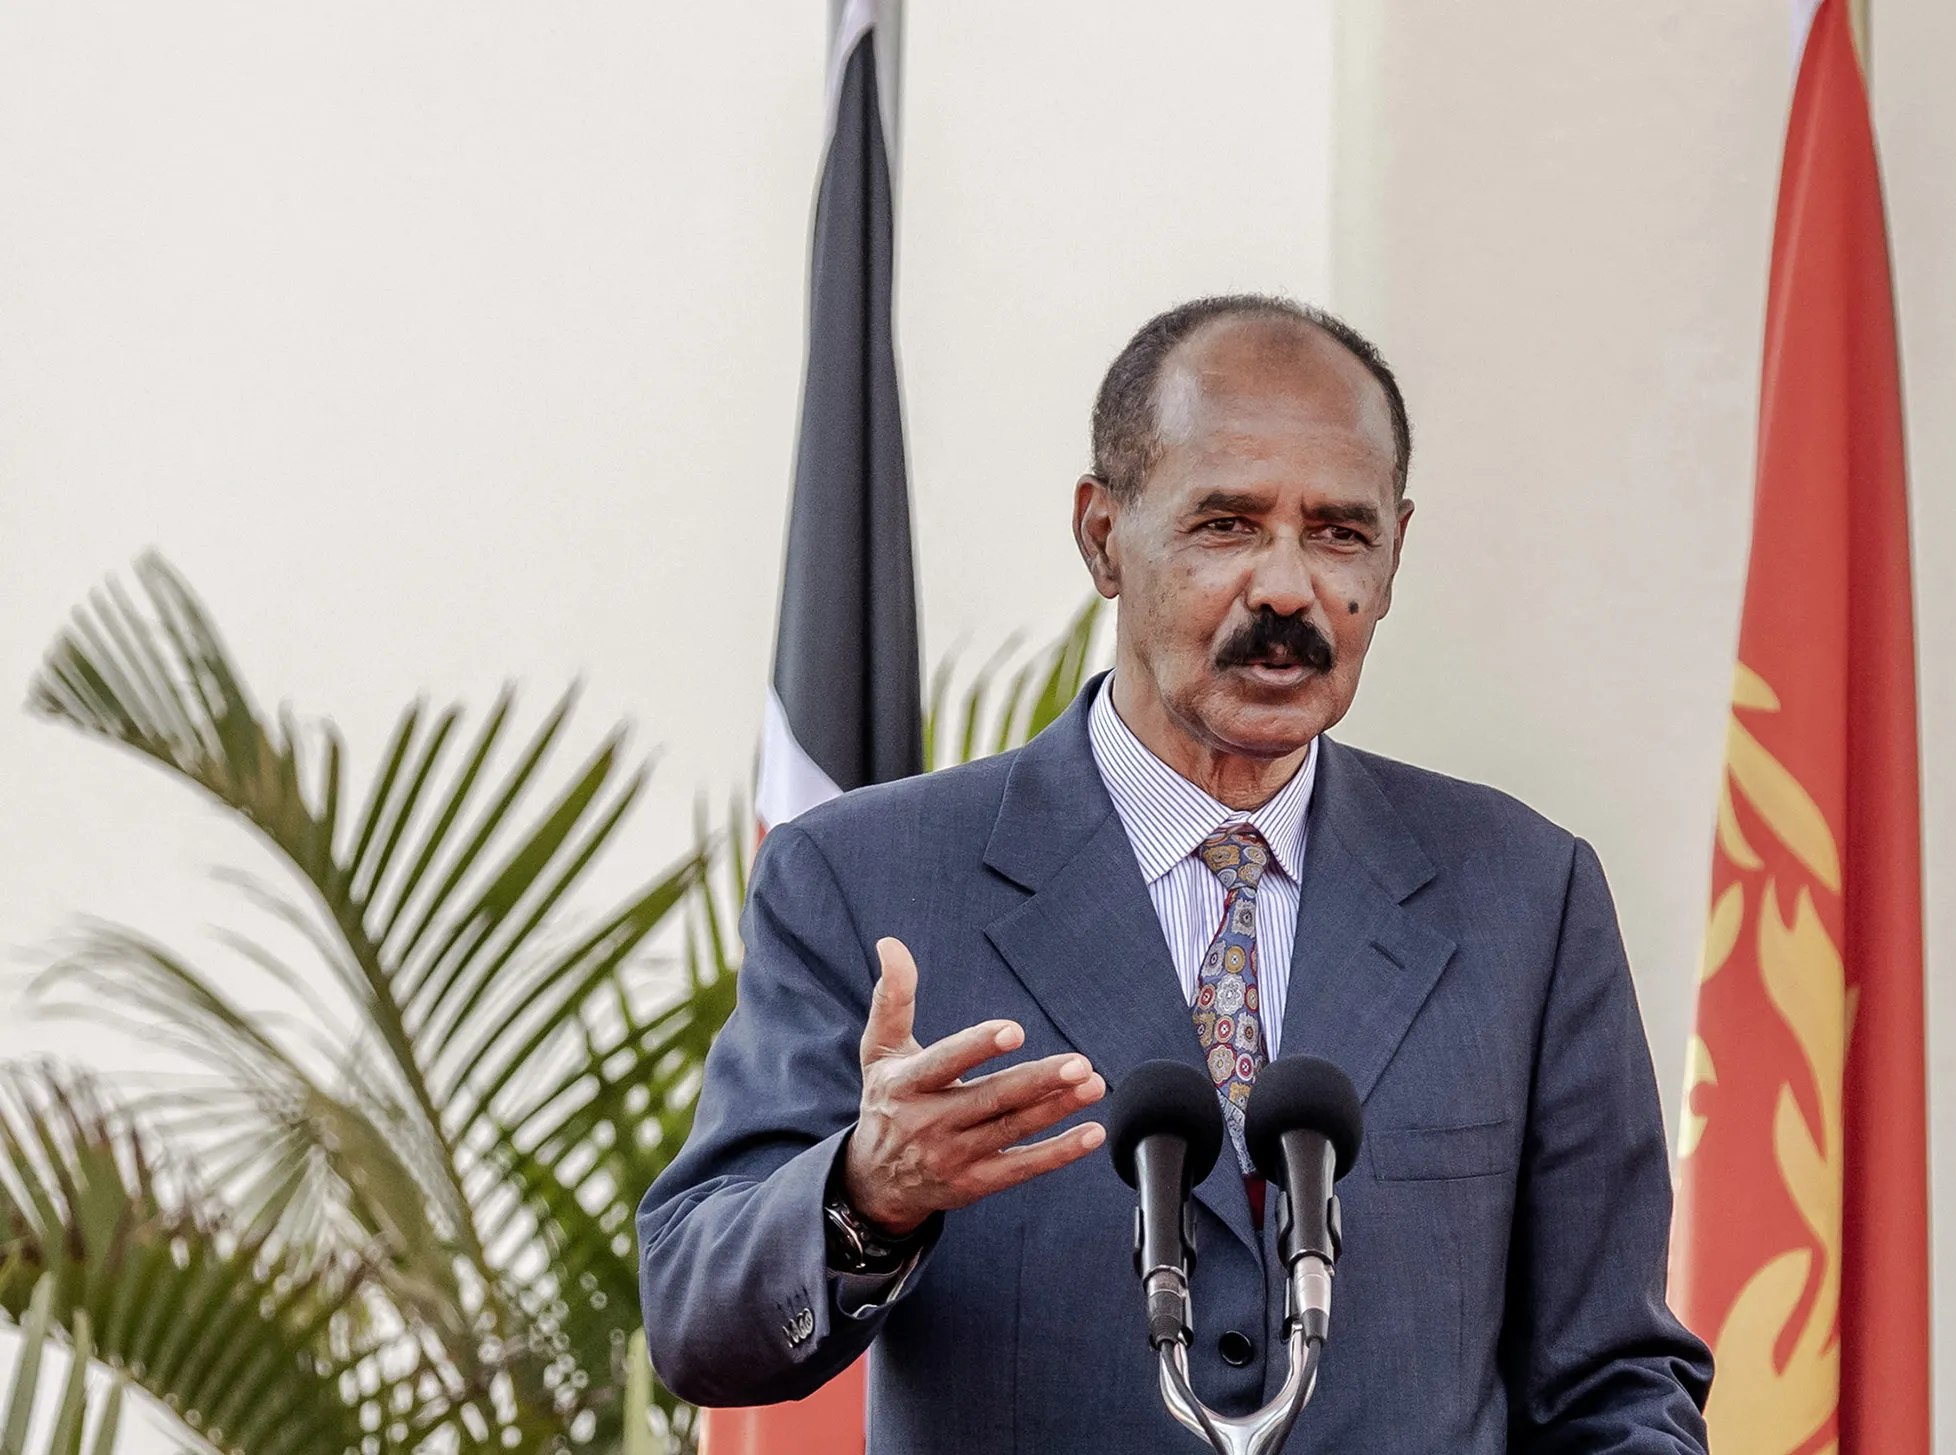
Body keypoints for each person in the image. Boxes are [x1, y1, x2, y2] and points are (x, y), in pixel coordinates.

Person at [636, 295, 1711, 1452]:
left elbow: (1609, 1380)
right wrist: (865, 1191)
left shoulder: (1521, 896)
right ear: (1102, 535)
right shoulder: (866, 876)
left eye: (1339, 534)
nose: (1288, 589)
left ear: (1395, 555)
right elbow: (701, 1322)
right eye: (1226, 525)